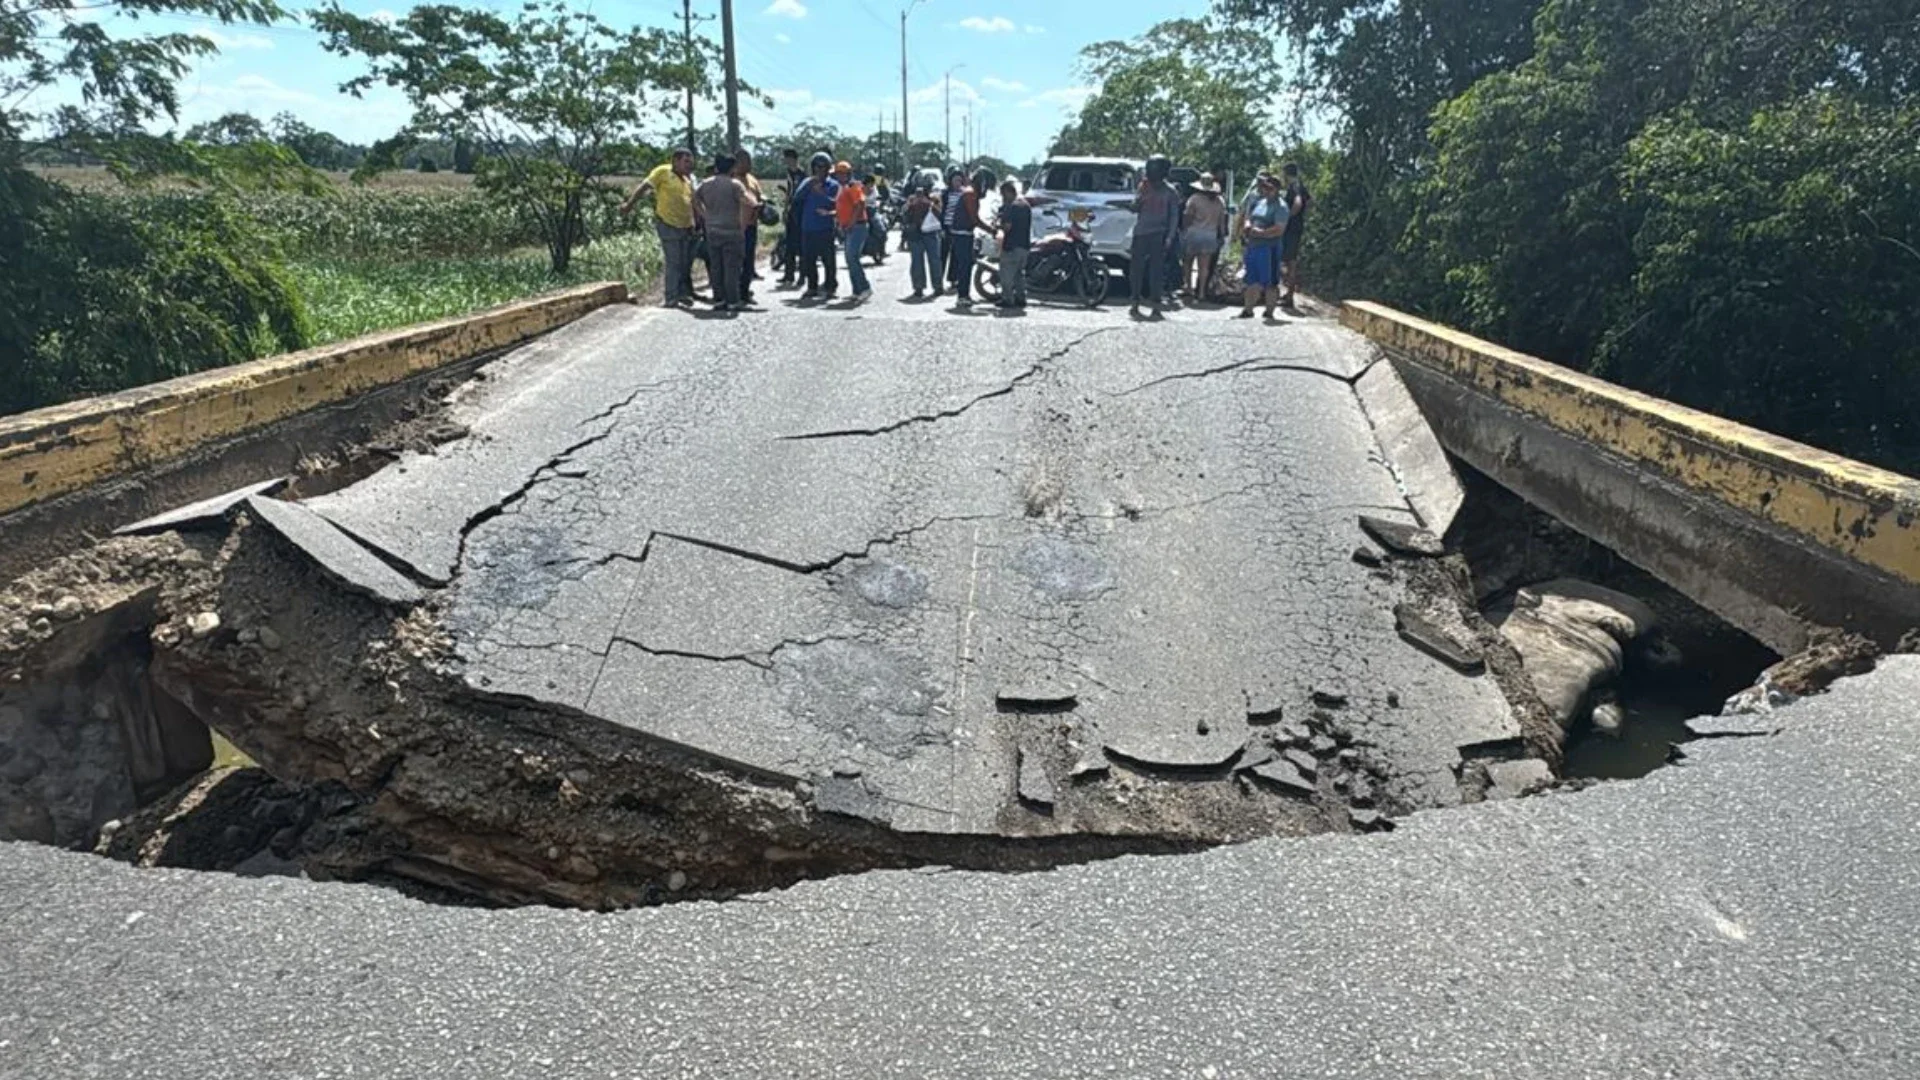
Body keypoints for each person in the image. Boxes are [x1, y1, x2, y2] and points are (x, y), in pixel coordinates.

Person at [620, 148, 696, 308]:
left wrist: (694, 222)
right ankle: (671, 297)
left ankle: (681, 293)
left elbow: (691, 202)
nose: (689, 165)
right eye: (686, 161)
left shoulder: (687, 179)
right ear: (675, 161)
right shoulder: (663, 172)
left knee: (684, 262)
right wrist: (629, 205)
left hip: (685, 226)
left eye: (691, 162)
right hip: (668, 224)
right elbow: (644, 187)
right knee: (674, 261)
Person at [694, 153, 756, 312]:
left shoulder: (705, 184)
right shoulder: (735, 185)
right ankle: (733, 300)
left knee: (716, 267)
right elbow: (749, 202)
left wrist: (705, 215)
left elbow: (694, 199)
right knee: (731, 268)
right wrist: (744, 223)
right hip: (732, 230)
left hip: (712, 230)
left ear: (716, 167)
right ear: (732, 168)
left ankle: (719, 300)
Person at [1128, 155, 1181, 318]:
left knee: (1156, 272)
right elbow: (1135, 208)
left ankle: (1155, 304)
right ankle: (1135, 301)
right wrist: (1140, 197)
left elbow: (1174, 216)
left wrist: (1170, 237)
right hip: (1141, 232)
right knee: (1136, 270)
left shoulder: (1170, 191)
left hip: (1159, 234)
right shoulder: (1143, 187)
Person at [1235, 172, 1289, 320]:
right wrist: (1247, 226)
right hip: (1253, 246)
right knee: (1251, 279)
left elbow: (1279, 229)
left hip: (1269, 248)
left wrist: (1262, 233)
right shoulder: (1260, 202)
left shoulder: (1281, 207)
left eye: (1270, 188)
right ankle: (1248, 309)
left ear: (1277, 189)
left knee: (1270, 281)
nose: (1266, 190)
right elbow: (1249, 217)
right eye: (1265, 187)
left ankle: (1269, 311)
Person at [794, 152, 841, 299]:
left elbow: (835, 203)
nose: (820, 170)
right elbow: (797, 198)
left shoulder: (833, 185)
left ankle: (830, 287)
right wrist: (809, 185)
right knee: (809, 260)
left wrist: (821, 194)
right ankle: (812, 287)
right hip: (808, 227)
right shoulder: (807, 182)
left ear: (828, 168)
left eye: (823, 167)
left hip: (826, 227)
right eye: (817, 167)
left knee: (829, 261)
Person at [1180, 173, 1228, 302]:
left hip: (1194, 233)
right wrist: (1222, 236)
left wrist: (1184, 230)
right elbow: (1222, 222)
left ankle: (1188, 287)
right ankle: (1201, 292)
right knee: (1204, 266)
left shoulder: (1194, 199)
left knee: (1188, 262)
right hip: (1210, 235)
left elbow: (1188, 216)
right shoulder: (1220, 201)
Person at [940, 166, 980, 307]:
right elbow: (942, 209)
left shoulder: (965, 193)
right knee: (943, 254)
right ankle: (939, 281)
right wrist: (942, 226)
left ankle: (954, 279)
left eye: (959, 180)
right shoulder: (946, 194)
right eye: (955, 180)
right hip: (948, 227)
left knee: (957, 258)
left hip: (959, 228)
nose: (957, 182)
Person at [833, 161, 873, 301]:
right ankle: (857, 290)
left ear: (847, 174)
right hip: (850, 227)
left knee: (852, 258)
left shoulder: (853, 186)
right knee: (850, 259)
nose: (839, 176)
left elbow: (860, 204)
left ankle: (864, 287)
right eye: (838, 174)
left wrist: (851, 223)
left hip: (857, 227)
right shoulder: (843, 188)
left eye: (841, 173)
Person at [992, 180, 1031, 309]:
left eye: (1003, 194)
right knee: (1019, 274)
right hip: (1024, 246)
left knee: (1006, 275)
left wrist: (997, 226)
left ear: (1008, 192)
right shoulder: (1025, 205)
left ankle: (1008, 299)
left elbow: (1007, 227)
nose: (1002, 197)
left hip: (1011, 246)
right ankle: (1021, 298)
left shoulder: (1011, 206)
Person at [732, 151, 764, 304]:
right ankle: (734, 292)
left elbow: (759, 195)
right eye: (745, 161)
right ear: (737, 163)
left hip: (751, 225)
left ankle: (745, 291)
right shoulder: (732, 180)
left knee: (748, 262)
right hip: (736, 226)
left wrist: (764, 202)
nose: (749, 165)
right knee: (736, 261)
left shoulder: (752, 179)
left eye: (749, 161)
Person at [902, 179, 942, 299]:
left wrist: (931, 203)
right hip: (915, 233)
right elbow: (904, 214)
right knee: (917, 262)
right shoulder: (911, 200)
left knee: (934, 260)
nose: (920, 194)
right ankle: (918, 287)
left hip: (930, 232)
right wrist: (910, 204)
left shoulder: (933, 199)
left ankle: (937, 286)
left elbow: (940, 213)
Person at [1280, 161, 1311, 309]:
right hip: (1297, 227)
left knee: (1290, 262)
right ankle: (1288, 293)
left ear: (1286, 173)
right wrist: (1303, 217)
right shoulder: (1301, 186)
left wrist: (1289, 217)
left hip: (1291, 229)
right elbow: (1310, 202)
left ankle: (1289, 296)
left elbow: (1298, 203)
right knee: (1289, 261)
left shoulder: (1294, 187)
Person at [778, 147, 803, 286]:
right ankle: (789, 275)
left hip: (801, 211)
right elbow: (789, 192)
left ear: (792, 159)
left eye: (786, 158)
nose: (785, 161)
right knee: (789, 245)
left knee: (801, 245)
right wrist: (785, 209)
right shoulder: (788, 173)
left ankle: (803, 275)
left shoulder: (802, 174)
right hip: (791, 210)